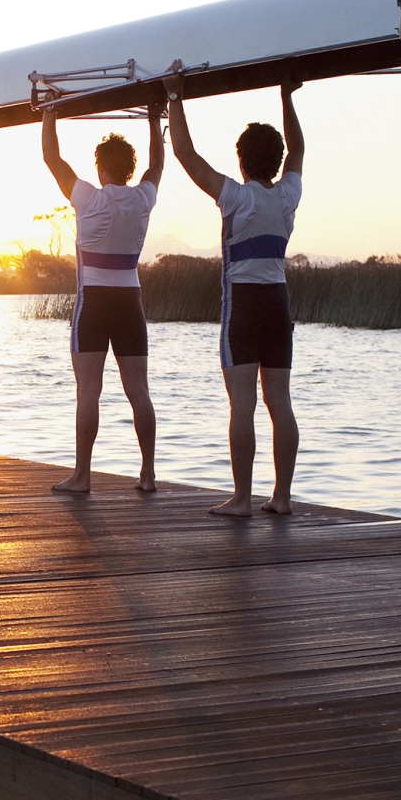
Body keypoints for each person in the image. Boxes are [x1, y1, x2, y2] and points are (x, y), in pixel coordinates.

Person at [165, 73, 303, 516]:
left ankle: (242, 499)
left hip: (243, 307)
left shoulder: (236, 198)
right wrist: (287, 96)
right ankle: (280, 497)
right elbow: (298, 150)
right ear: (276, 161)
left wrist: (174, 96)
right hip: (279, 304)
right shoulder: (287, 195)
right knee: (278, 401)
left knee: (241, 405)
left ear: (241, 161)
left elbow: (185, 154)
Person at [39, 100, 164, 494]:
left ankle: (82, 476)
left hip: (93, 303)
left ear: (100, 167)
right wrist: (155, 119)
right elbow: (156, 167)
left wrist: (49, 113)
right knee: (138, 391)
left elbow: (51, 157)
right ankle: (147, 475)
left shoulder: (89, 198)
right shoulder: (143, 198)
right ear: (128, 168)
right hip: (130, 302)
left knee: (88, 391)